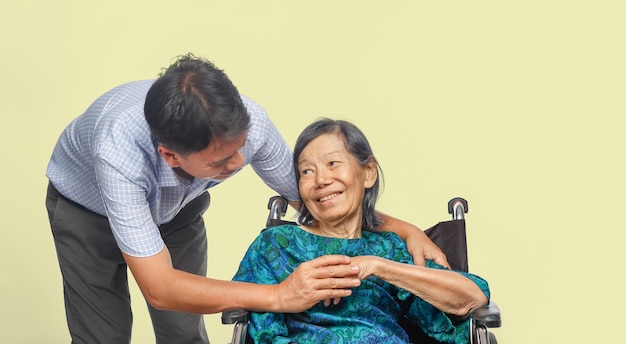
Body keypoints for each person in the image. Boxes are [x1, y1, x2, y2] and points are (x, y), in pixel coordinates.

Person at [45, 54, 448, 344]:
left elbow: (319, 199)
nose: (239, 162)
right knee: (104, 334)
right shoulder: (119, 152)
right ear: (171, 155)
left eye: (241, 149)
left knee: (183, 328)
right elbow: (160, 287)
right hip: (88, 213)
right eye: (222, 162)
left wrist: (406, 229)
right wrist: (278, 295)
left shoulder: (247, 123)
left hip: (178, 210)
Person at [233, 118, 490, 344]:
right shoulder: (276, 245)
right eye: (306, 171)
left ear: (368, 173)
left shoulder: (388, 249)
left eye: (333, 163)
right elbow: (263, 328)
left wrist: (380, 267)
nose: (321, 180)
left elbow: (473, 297)